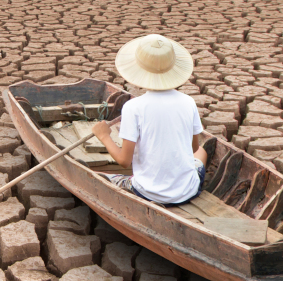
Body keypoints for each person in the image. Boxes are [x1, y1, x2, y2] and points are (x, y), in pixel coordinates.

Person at [91, 34, 216, 205]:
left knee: (103, 178)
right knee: (202, 152)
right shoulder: (188, 102)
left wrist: (104, 136)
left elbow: (124, 161)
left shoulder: (133, 107)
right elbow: (193, 148)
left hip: (148, 193)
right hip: (189, 191)